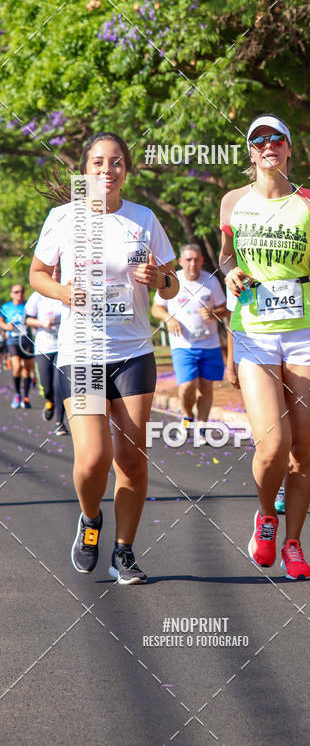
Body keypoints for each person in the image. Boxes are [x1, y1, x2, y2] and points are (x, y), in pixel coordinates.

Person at [219, 114, 310, 579]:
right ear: (250, 151)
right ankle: (266, 518)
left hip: (305, 331)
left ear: (288, 149)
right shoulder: (232, 202)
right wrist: (229, 273)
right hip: (255, 330)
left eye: (276, 139)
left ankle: (294, 545)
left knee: (303, 447)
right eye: (259, 140)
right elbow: (226, 256)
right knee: (273, 444)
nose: (268, 146)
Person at [29, 132, 179, 584]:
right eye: (98, 163)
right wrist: (61, 291)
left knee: (132, 460)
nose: (107, 171)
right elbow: (37, 275)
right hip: (83, 351)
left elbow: (171, 284)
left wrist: (158, 278)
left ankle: (125, 551)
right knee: (93, 457)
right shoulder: (63, 218)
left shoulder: (144, 219)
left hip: (133, 350)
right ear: (85, 170)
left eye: (115, 163)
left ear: (125, 170)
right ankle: (91, 519)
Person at [152, 243, 227, 439]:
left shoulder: (210, 281)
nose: (192, 264)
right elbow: (156, 308)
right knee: (187, 386)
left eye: (196, 259)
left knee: (206, 388)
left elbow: (225, 308)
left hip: (210, 344)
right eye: (188, 260)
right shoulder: (173, 280)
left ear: (202, 261)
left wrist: (214, 313)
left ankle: (202, 427)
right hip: (183, 345)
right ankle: (187, 416)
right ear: (181, 261)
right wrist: (169, 319)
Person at [25, 264, 69, 435]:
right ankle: (48, 401)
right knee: (47, 386)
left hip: (62, 346)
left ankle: (60, 422)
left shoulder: (67, 291)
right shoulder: (38, 296)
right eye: (54, 271)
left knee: (60, 385)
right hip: (43, 346)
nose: (56, 274)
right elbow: (28, 320)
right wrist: (42, 323)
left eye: (59, 271)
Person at [0, 283, 35, 409]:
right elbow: (1, 321)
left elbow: (35, 317)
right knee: (16, 368)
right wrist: (5, 326)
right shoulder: (6, 307)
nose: (19, 294)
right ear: (11, 294)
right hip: (13, 340)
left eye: (21, 291)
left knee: (27, 369)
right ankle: (17, 394)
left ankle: (25, 397)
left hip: (27, 339)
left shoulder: (29, 305)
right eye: (16, 292)